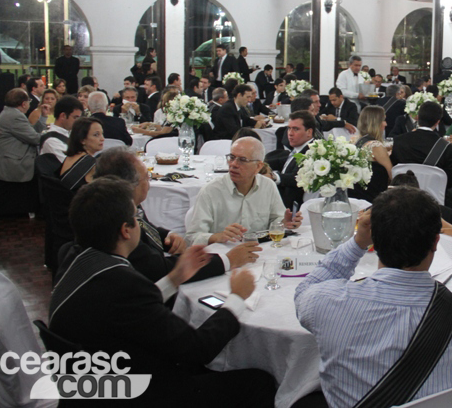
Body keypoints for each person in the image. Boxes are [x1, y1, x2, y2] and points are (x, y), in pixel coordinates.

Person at [49, 178, 276, 406]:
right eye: (137, 219)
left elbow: (128, 312)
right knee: (261, 381)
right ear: (125, 231)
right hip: (138, 392)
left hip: (92, 380)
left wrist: (174, 279)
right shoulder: (123, 284)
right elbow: (198, 349)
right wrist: (237, 298)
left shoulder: (72, 256)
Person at [294, 186, 452, 407]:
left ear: (374, 240)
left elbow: (304, 292)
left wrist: (357, 242)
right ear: (436, 242)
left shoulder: (329, 302)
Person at [66, 147, 263, 284]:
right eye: (147, 177)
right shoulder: (117, 228)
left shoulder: (119, 206)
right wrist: (227, 260)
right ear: (129, 186)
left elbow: (146, 227)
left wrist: (167, 235)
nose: (150, 183)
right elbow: (160, 269)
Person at [186, 137, 301, 245]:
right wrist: (217, 237)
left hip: (259, 252)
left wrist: (284, 223)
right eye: (231, 158)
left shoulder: (268, 186)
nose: (233, 165)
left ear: (258, 166)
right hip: (224, 257)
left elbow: (277, 220)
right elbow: (191, 238)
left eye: (242, 160)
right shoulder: (211, 191)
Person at [0, 89, 47, 217]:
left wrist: (43, 116)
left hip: (10, 158)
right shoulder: (15, 116)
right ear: (23, 103)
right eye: (29, 101)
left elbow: (30, 132)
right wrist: (52, 135)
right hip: (14, 162)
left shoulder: (10, 113)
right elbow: (35, 138)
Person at [391, 101, 452, 190]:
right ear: (437, 122)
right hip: (433, 199)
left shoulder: (398, 141)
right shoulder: (446, 147)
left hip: (402, 195)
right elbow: (450, 181)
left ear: (418, 118)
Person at [266, 111, 316, 208]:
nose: (290, 133)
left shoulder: (312, 152)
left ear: (309, 132)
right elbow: (283, 162)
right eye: (289, 128)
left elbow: (297, 178)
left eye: (296, 129)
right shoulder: (299, 149)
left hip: (291, 208)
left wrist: (274, 177)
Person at [350, 105, 392, 202]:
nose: (385, 124)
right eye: (383, 120)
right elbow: (391, 174)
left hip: (356, 194)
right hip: (374, 197)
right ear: (375, 123)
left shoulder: (355, 140)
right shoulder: (375, 146)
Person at [59, 117, 104, 192]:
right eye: (96, 135)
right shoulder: (91, 164)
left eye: (102, 134)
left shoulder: (71, 157)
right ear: (82, 140)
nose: (102, 138)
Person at [40, 96, 84, 162]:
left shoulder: (72, 133)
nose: (78, 122)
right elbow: (70, 165)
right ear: (63, 116)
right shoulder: (51, 141)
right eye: (75, 118)